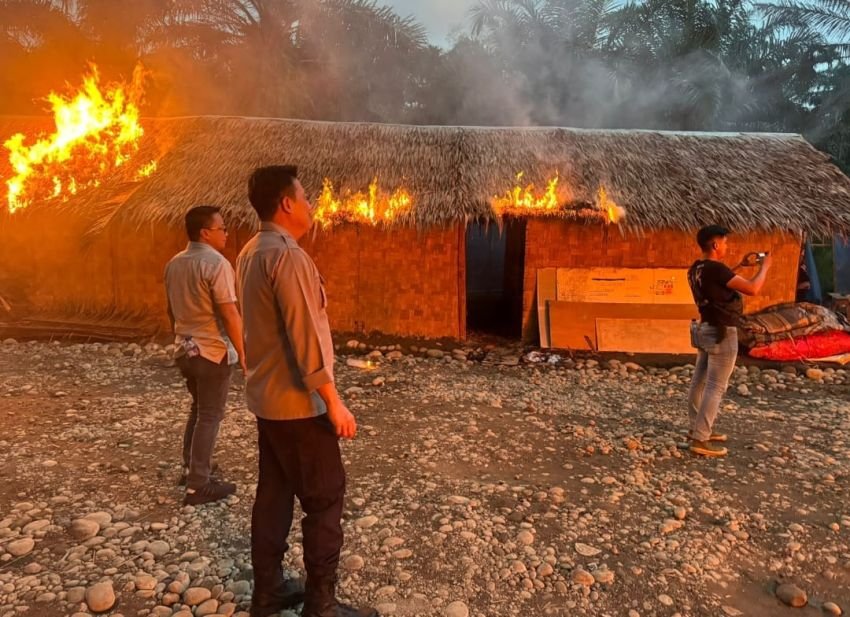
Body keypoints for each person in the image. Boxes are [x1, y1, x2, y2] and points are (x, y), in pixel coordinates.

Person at [236, 166, 376, 617]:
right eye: (306, 197)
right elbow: (306, 338)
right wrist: (333, 402)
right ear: (287, 204)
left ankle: (269, 590)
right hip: (298, 405)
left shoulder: (249, 252)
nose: (312, 205)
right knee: (325, 496)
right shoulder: (288, 257)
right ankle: (321, 604)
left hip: (267, 401)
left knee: (274, 494)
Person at [165, 205, 246, 505]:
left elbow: (170, 311)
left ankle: (192, 469)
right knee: (210, 414)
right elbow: (229, 313)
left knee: (198, 410)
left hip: (183, 349)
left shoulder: (174, 263)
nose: (226, 233)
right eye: (222, 228)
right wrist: (244, 353)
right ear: (205, 232)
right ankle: (198, 485)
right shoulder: (216, 264)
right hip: (210, 351)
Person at [686, 225, 772, 457]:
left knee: (700, 381)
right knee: (715, 386)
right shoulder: (716, 269)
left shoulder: (697, 269)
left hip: (704, 328)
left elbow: (719, 282)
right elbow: (753, 288)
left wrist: (741, 267)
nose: (726, 246)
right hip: (722, 331)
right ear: (715, 245)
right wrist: (764, 268)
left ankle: (697, 428)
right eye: (724, 243)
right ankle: (701, 438)